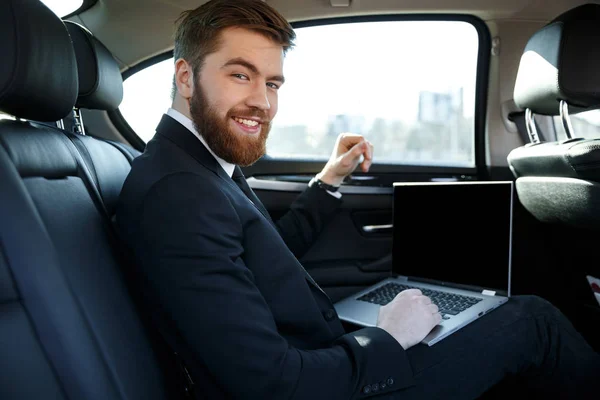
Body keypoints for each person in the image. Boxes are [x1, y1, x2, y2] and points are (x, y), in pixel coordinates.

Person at [115, 0, 600, 398]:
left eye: (273, 82)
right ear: (184, 77)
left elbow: (263, 256)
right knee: (531, 320)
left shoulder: (197, 166)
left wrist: (327, 180)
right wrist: (386, 337)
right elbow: (269, 385)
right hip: (327, 386)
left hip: (326, 362)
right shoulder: (177, 192)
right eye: (240, 75)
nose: (263, 101)